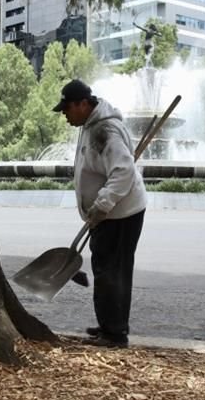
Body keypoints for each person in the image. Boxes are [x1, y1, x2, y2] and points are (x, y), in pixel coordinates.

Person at [54, 79, 147, 348]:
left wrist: (102, 204)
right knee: (105, 268)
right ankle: (109, 324)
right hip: (108, 214)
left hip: (121, 214)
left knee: (112, 272)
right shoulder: (90, 124)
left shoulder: (105, 131)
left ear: (83, 104)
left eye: (67, 109)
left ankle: (115, 334)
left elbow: (123, 172)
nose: (65, 115)